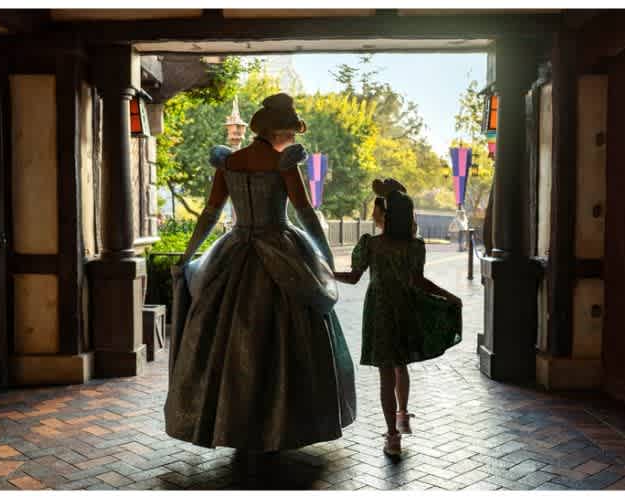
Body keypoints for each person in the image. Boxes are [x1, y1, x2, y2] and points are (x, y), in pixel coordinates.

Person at [165, 93, 356, 453]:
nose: (293, 138)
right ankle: (278, 424)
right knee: (286, 339)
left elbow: (209, 214)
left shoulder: (230, 162)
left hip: (234, 251)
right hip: (280, 248)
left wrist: (189, 255)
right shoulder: (284, 163)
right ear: (279, 130)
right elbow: (306, 213)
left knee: (224, 338)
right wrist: (326, 256)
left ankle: (236, 422)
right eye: (291, 130)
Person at [335, 179, 463, 457]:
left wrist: (325, 273)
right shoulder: (414, 246)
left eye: (375, 210)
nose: (372, 215)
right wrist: (448, 296)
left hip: (379, 309)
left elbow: (354, 278)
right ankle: (402, 414)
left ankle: (392, 436)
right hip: (405, 306)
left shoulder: (371, 245)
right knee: (400, 364)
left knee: (385, 374)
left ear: (385, 215)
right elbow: (419, 281)